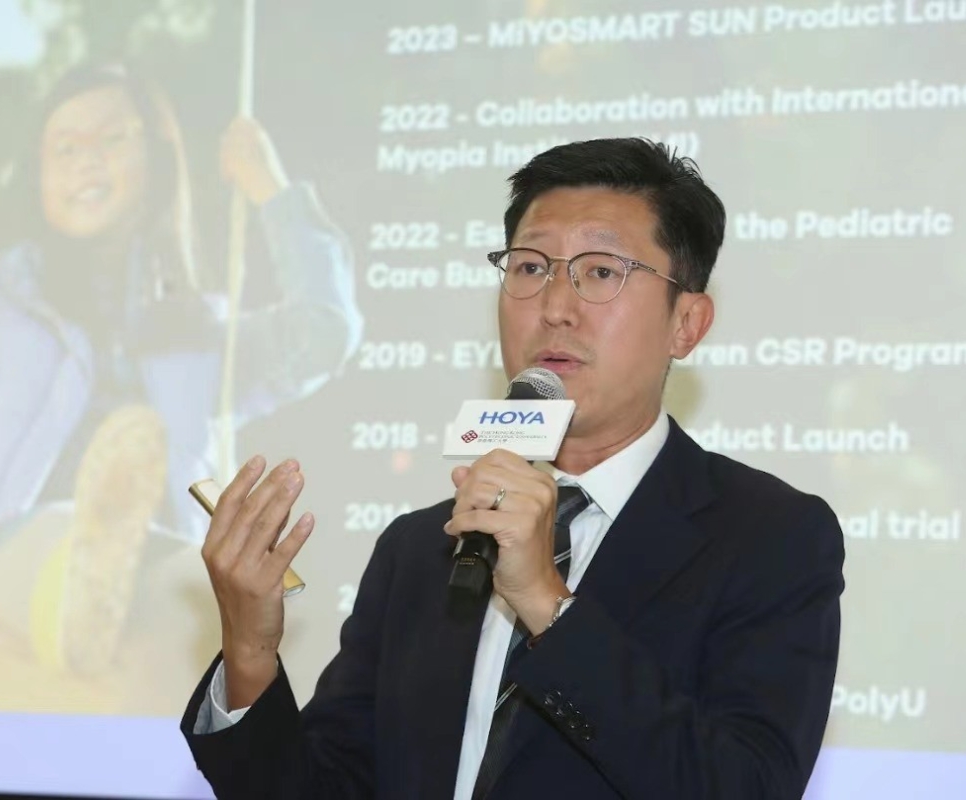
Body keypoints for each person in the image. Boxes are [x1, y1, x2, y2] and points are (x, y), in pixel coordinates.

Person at [180, 138, 845, 799]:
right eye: (529, 267)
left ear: (687, 324)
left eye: (600, 272)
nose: (554, 306)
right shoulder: (422, 550)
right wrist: (248, 652)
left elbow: (743, 786)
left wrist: (547, 604)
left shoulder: (769, 538)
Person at [0, 62, 362, 680]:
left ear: (156, 159)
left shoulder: (194, 330)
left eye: (111, 139)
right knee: (76, 550)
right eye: (64, 148)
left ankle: (127, 638)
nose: (86, 160)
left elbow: (321, 335)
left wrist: (272, 191)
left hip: (146, 565)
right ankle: (90, 589)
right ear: (39, 177)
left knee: (225, 603)